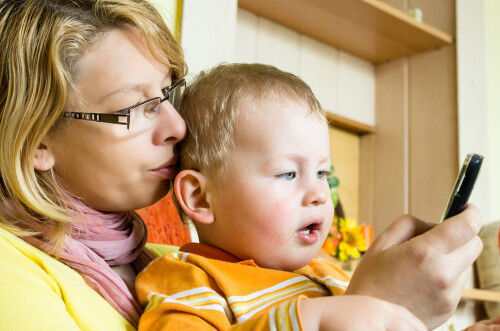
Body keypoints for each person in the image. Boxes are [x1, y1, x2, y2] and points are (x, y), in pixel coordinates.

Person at [0, 0, 490, 330]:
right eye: (139, 106)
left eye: (167, 95)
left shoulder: (163, 258)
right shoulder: (12, 275)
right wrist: (350, 310)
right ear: (38, 138)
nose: (175, 124)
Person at [135, 63, 481, 330]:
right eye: (288, 173)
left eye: (322, 173)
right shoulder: (188, 279)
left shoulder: (330, 272)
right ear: (200, 198)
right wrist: (312, 320)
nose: (318, 193)